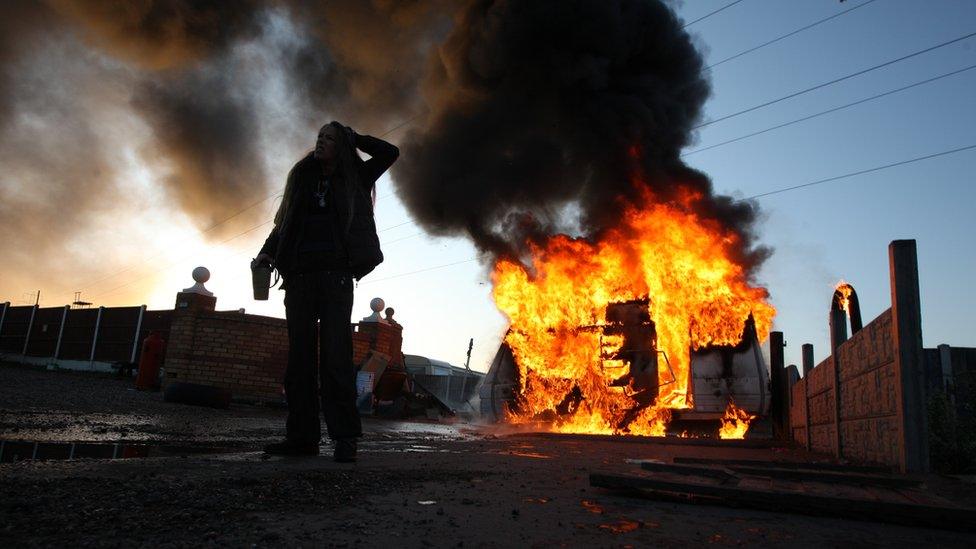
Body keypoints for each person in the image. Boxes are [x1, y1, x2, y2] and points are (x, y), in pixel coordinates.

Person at [253, 121, 398, 462]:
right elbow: (283, 224)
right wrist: (266, 252)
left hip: (335, 278)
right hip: (300, 278)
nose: (321, 143)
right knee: (299, 362)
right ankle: (302, 439)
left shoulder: (357, 177)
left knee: (335, 359)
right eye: (319, 137)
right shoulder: (302, 179)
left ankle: (345, 439)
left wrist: (356, 137)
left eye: (329, 138)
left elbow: (390, 153)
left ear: (342, 145)